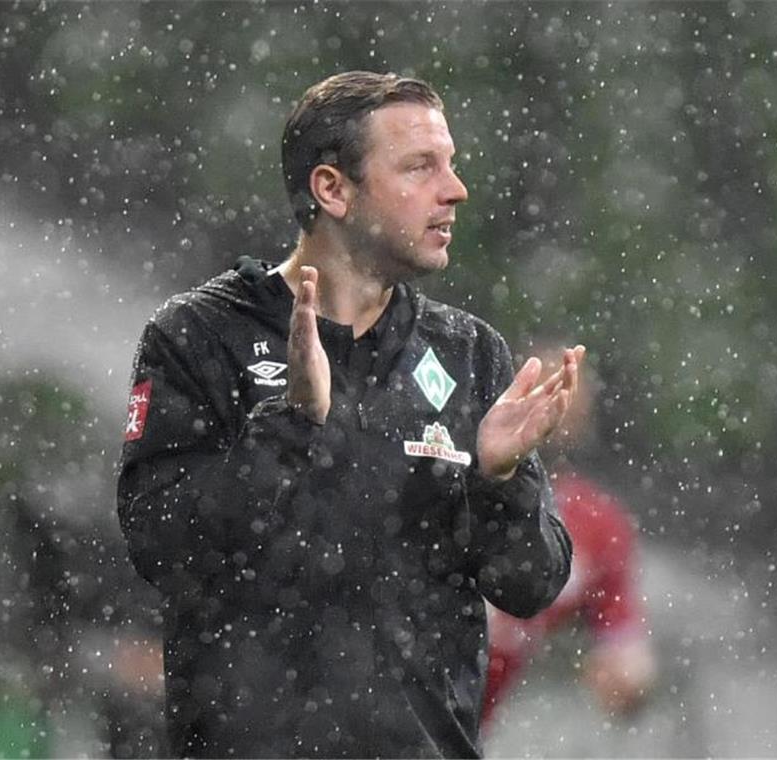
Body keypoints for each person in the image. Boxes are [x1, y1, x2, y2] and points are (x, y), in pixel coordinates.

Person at [116, 71, 585, 758]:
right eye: (420, 167)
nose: (454, 189)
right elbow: (161, 546)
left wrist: (500, 477)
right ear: (332, 189)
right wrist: (292, 425)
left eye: (450, 164)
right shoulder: (198, 336)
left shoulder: (467, 353)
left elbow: (529, 585)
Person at [481, 355, 656, 726]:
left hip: (466, 726)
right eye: (542, 388)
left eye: (568, 393)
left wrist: (629, 676)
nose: (554, 407)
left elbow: (626, 646)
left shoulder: (596, 523)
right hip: (386, 695)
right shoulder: (455, 475)